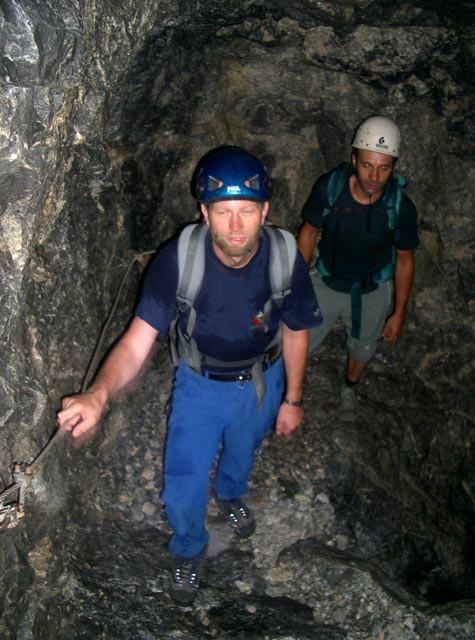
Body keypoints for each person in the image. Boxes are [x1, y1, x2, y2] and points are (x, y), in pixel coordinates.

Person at [57, 146, 322, 606]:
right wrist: (99, 395)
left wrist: (292, 399)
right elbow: (138, 341)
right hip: (199, 386)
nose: (235, 226)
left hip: (264, 379)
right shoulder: (179, 259)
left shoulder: (284, 255)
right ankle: (188, 547)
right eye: (223, 212)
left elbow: (296, 331)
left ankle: (231, 493)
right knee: (182, 481)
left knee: (243, 450)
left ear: (265, 211)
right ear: (204, 212)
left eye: (245, 211)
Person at [297, 115, 419, 420]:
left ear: (393, 166)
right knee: (295, 338)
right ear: (354, 159)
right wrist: (295, 285)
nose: (374, 176)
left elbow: (405, 258)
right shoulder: (331, 188)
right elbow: (309, 231)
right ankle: (288, 392)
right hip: (327, 280)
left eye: (384, 167)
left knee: (363, 350)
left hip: (371, 289)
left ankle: (349, 388)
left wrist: (399, 310)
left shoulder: (400, 207)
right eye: (367, 164)